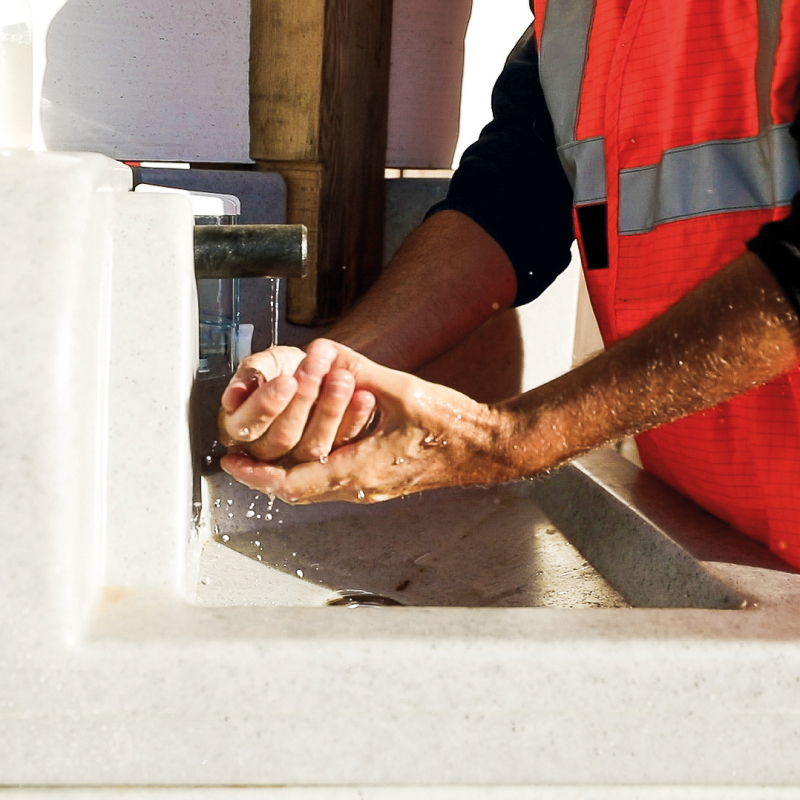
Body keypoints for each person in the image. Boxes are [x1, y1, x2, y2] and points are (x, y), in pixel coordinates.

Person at [218, 1, 800, 571]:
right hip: (719, 544)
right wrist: (324, 373)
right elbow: (510, 203)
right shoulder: (575, 15)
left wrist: (509, 439)